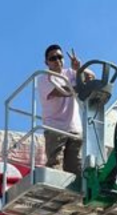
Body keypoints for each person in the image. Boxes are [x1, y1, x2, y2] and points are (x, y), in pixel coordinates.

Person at [38, 44, 92, 175]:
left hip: (74, 129)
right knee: (55, 165)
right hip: (55, 128)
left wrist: (80, 68)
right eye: (53, 58)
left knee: (76, 170)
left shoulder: (70, 73)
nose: (57, 60)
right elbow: (62, 91)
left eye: (59, 57)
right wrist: (80, 86)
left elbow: (91, 79)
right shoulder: (44, 78)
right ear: (46, 62)